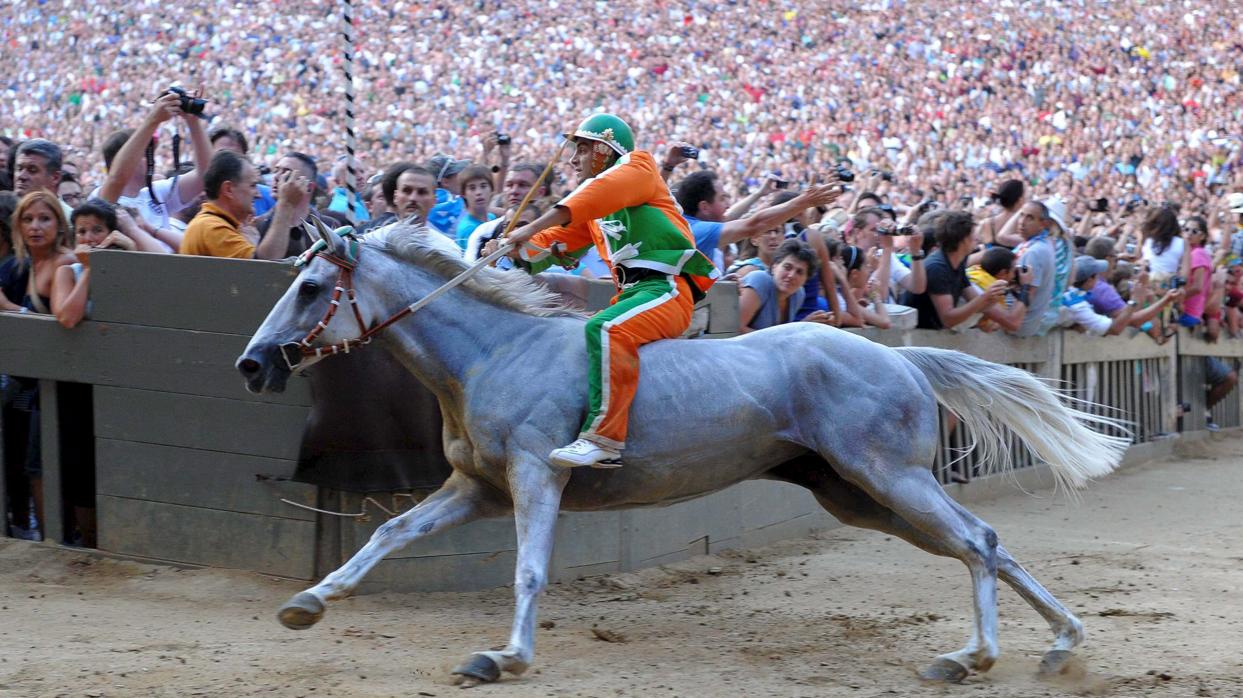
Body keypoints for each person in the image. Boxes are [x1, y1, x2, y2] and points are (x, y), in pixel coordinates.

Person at [504, 113, 718, 468]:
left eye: (582, 149)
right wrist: (509, 247)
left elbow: (593, 194)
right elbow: (548, 245)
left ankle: (604, 439)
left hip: (666, 290)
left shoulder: (640, 167)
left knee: (605, 328)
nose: (573, 160)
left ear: (604, 150)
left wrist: (531, 228)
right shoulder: (593, 211)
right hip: (633, 295)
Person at [0, 191, 75, 541]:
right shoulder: (16, 266)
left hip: (61, 386)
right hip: (25, 385)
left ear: (59, 225)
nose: (35, 227)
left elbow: (61, 326)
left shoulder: (66, 264)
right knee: (26, 463)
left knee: (43, 466)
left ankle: (55, 539)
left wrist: (10, 308)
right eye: (28, 220)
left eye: (44, 219)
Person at [94, 92, 214, 251]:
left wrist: (193, 121)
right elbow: (117, 178)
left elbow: (206, 175)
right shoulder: (99, 197)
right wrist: (153, 120)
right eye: (146, 153)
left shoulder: (156, 193)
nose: (152, 159)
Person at [674, 169, 840, 267]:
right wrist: (805, 201)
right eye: (722, 198)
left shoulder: (688, 224)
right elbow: (754, 225)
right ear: (704, 207)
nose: (728, 203)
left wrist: (759, 193)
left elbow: (729, 217)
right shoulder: (697, 231)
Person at [51, 198, 166, 328]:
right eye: (82, 232)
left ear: (112, 235)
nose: (88, 238)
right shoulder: (67, 272)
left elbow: (146, 308)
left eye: (97, 230)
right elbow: (68, 319)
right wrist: (89, 268)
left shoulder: (125, 269)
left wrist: (131, 252)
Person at [180, 151, 310, 260]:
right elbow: (264, 267)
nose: (258, 194)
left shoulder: (218, 224)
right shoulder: (210, 227)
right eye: (252, 186)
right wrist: (286, 204)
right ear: (228, 189)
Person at [900, 210, 1008, 330]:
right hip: (916, 336)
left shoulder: (959, 260)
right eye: (974, 234)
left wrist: (993, 298)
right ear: (963, 239)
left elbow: (974, 300)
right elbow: (948, 319)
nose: (978, 238)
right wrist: (986, 297)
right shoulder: (937, 268)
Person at [738, 239, 817, 332]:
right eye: (787, 267)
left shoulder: (799, 294)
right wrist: (775, 342)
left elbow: (780, 334)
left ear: (806, 279)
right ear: (774, 266)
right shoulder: (759, 280)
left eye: (799, 272)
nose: (791, 275)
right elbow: (735, 328)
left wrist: (805, 323)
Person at [1058, 256, 1135, 336]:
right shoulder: (1077, 306)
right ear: (1089, 280)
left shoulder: (1067, 290)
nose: (1099, 277)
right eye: (1097, 275)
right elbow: (1114, 329)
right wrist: (1135, 300)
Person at [1014, 201, 1058, 337]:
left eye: (1030, 218)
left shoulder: (1034, 252)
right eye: (1021, 215)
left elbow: (1029, 294)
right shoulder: (1041, 244)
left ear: (1044, 224)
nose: (1022, 222)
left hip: (1019, 324)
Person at [210, 126, 275, 216]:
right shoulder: (196, 197)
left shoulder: (267, 195)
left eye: (234, 156)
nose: (227, 162)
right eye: (221, 154)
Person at [12, 139, 73, 219]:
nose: (21, 176)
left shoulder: (70, 222)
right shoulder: (6, 212)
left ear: (55, 178)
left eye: (32, 170)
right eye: (19, 169)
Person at [454, 165, 498, 251]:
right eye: (472, 188)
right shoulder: (468, 228)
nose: (478, 192)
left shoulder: (492, 217)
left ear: (492, 190)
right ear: (464, 194)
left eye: (483, 186)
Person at [425, 154, 470, 235]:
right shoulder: (454, 202)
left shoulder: (425, 202)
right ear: (445, 182)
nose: (463, 176)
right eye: (458, 174)